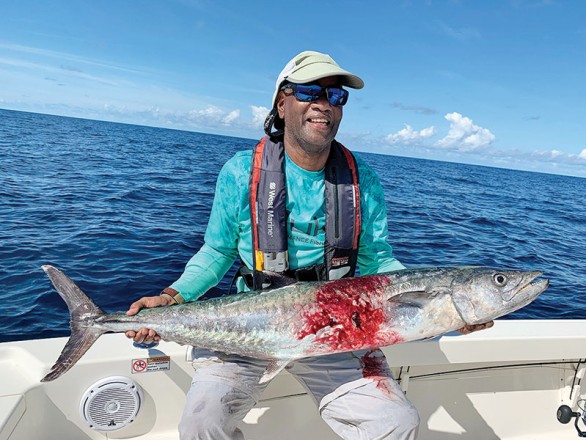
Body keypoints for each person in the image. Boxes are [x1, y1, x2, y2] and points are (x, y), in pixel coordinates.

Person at [125, 50, 492, 440]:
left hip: (333, 330)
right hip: (250, 325)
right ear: (282, 103)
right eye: (310, 92)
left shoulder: (362, 180)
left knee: (397, 422)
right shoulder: (239, 172)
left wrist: (441, 308)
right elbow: (217, 253)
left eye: (336, 97)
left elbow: (377, 261)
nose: (324, 105)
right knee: (201, 422)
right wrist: (171, 297)